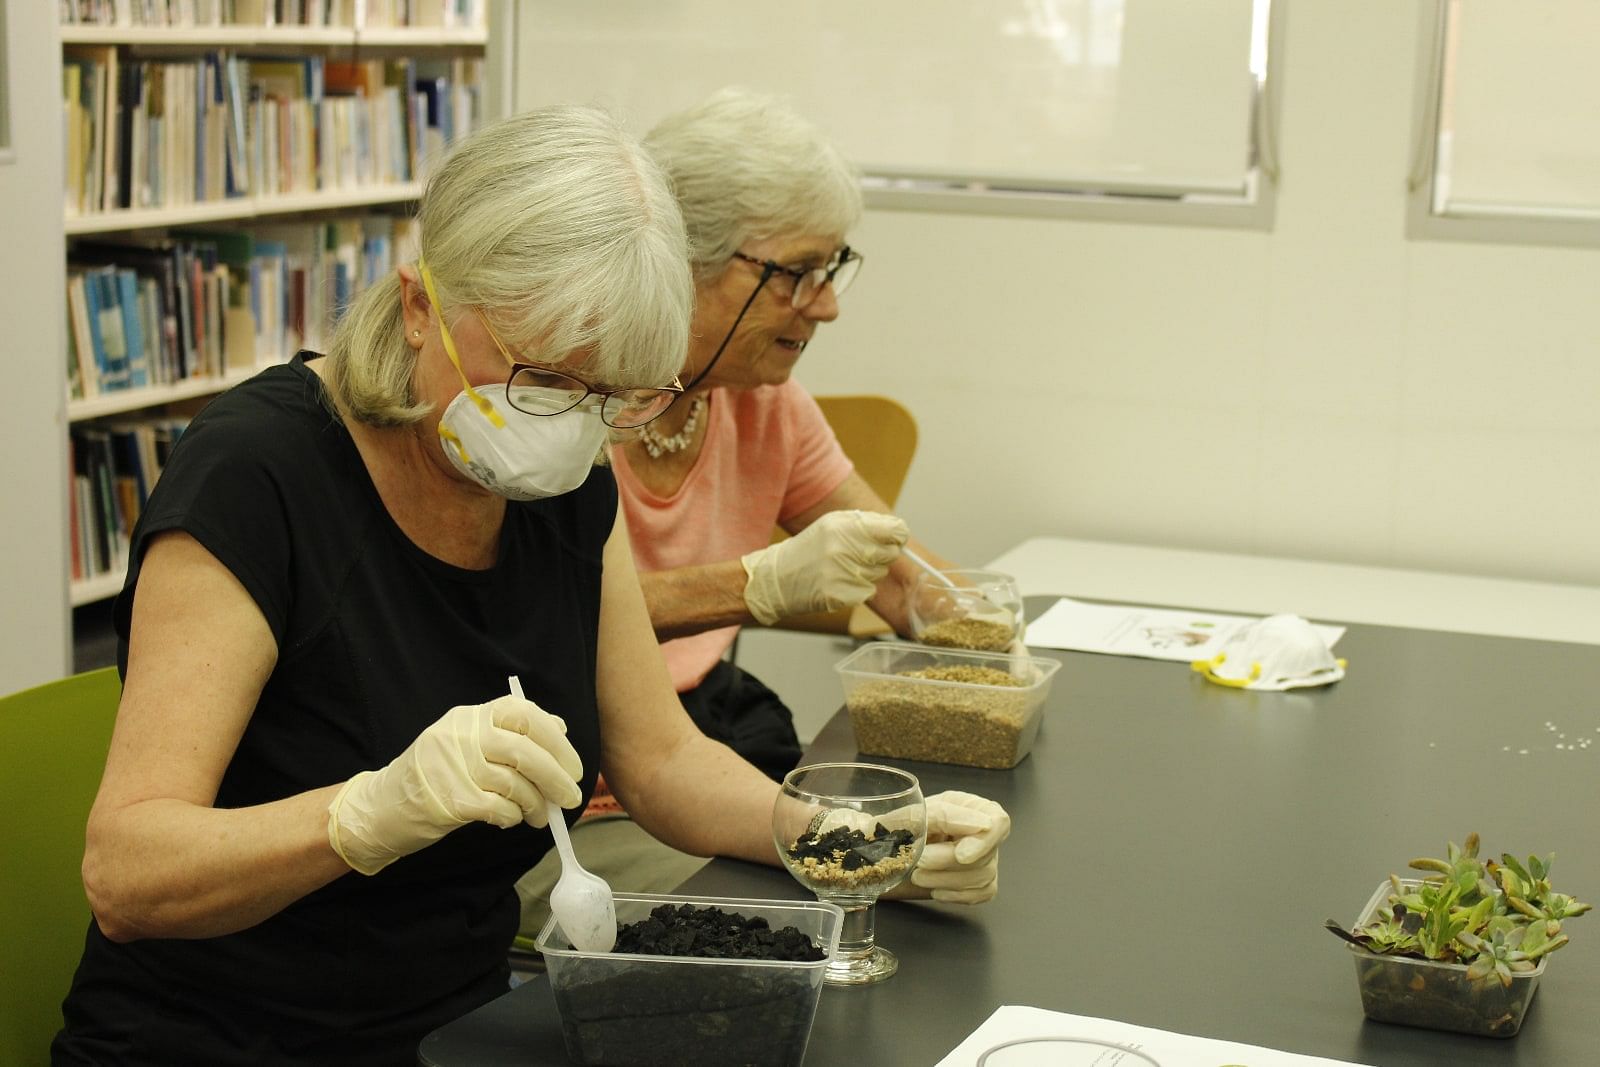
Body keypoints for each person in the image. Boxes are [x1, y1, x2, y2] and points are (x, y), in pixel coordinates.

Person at [53, 106, 787, 1065]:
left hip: (460, 1031)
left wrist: (855, 840)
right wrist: (367, 812)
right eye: (544, 381)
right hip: (223, 1039)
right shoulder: (257, 477)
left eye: (616, 396)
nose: (572, 425)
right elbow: (126, 872)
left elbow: (662, 763)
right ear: (417, 306)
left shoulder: (561, 479)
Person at [516, 88, 1016, 940]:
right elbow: (555, 622)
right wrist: (751, 585)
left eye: (833, 268)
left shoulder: (761, 405)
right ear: (681, 259)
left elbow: (916, 586)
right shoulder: (561, 414)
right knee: (821, 921)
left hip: (699, 746)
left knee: (879, 894)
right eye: (797, 273)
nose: (826, 304)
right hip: (571, 791)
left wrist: (990, 628)